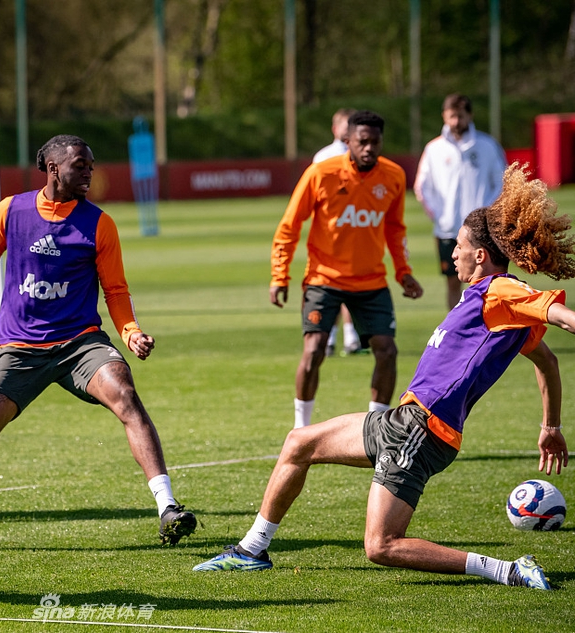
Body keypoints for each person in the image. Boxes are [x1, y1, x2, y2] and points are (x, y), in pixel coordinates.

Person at [194, 164, 571, 591]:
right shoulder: (494, 307)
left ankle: (509, 570)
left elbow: (560, 317)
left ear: (480, 255)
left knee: (381, 545)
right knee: (298, 443)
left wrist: (563, 325)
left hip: (423, 429)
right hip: (403, 421)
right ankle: (251, 551)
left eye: (459, 246)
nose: (453, 254)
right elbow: (547, 362)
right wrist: (550, 427)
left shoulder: (500, 291)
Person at [0, 134, 197, 549]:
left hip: (80, 343)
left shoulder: (99, 223)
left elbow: (116, 290)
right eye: (80, 165)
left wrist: (130, 332)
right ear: (53, 168)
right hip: (20, 346)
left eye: (91, 165)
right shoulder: (11, 210)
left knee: (126, 397)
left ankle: (167, 507)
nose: (89, 172)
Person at [270, 110, 423, 429]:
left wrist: (403, 271)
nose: (369, 148)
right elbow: (290, 225)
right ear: (347, 140)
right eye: (362, 142)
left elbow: (395, 228)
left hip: (371, 281)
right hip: (323, 279)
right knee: (314, 350)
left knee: (387, 351)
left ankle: (377, 428)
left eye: (375, 142)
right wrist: (279, 275)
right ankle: (300, 429)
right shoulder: (321, 173)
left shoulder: (393, 176)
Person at [415, 93, 507, 310]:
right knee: (453, 282)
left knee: (487, 282)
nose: (456, 122)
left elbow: (502, 182)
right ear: (444, 117)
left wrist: (487, 214)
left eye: (460, 116)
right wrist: (440, 216)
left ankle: (486, 326)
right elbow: (422, 187)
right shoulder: (434, 149)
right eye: (451, 116)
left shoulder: (487, 145)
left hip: (483, 231)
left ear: (470, 115)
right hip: (448, 231)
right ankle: (458, 328)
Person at [312, 108, 362, 357]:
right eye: (345, 125)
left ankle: (351, 338)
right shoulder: (323, 157)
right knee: (331, 289)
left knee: (353, 288)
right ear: (335, 128)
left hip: (357, 231)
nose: (348, 129)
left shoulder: (362, 155)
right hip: (330, 236)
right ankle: (329, 338)